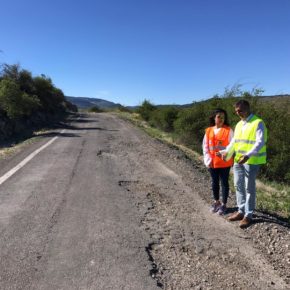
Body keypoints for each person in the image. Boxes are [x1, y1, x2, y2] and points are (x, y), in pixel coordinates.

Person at [218, 100, 267, 228]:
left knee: (248, 187)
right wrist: (225, 152)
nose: (238, 113)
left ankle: (248, 215)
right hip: (238, 160)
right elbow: (234, 142)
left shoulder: (258, 122)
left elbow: (260, 142)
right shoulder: (239, 124)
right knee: (238, 185)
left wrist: (248, 155)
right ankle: (241, 211)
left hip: (251, 161)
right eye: (236, 111)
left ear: (247, 108)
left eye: (240, 110)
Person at [203, 108, 234, 215]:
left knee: (224, 183)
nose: (221, 119)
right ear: (214, 117)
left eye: (223, 117)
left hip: (225, 162)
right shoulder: (208, 130)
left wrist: (226, 154)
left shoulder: (228, 130)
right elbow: (205, 146)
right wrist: (208, 160)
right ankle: (216, 202)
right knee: (214, 182)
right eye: (219, 116)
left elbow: (232, 146)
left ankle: (224, 205)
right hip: (212, 162)